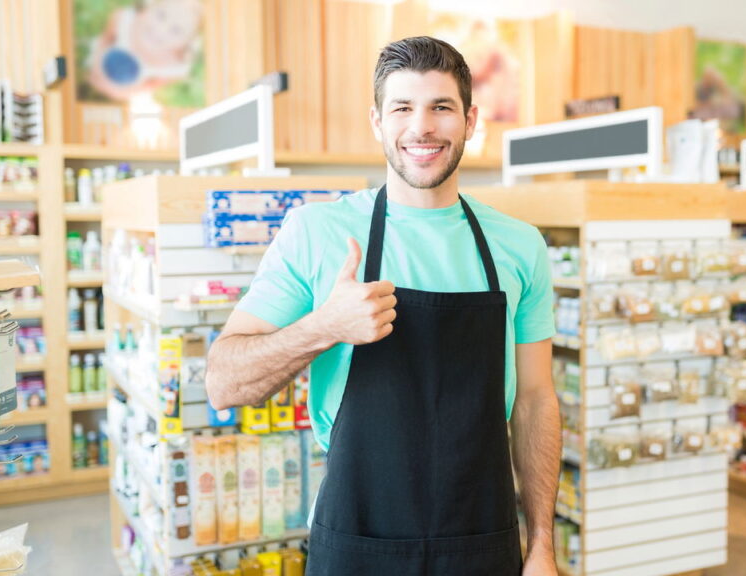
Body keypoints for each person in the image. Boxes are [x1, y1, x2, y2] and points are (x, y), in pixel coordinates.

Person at [206, 36, 561, 575]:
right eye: (402, 108)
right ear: (377, 121)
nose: (422, 127)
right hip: (357, 541)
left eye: (441, 107)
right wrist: (322, 327)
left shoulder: (519, 244)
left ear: (470, 120)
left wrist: (542, 547)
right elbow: (224, 384)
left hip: (483, 541)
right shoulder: (316, 231)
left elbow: (536, 401)